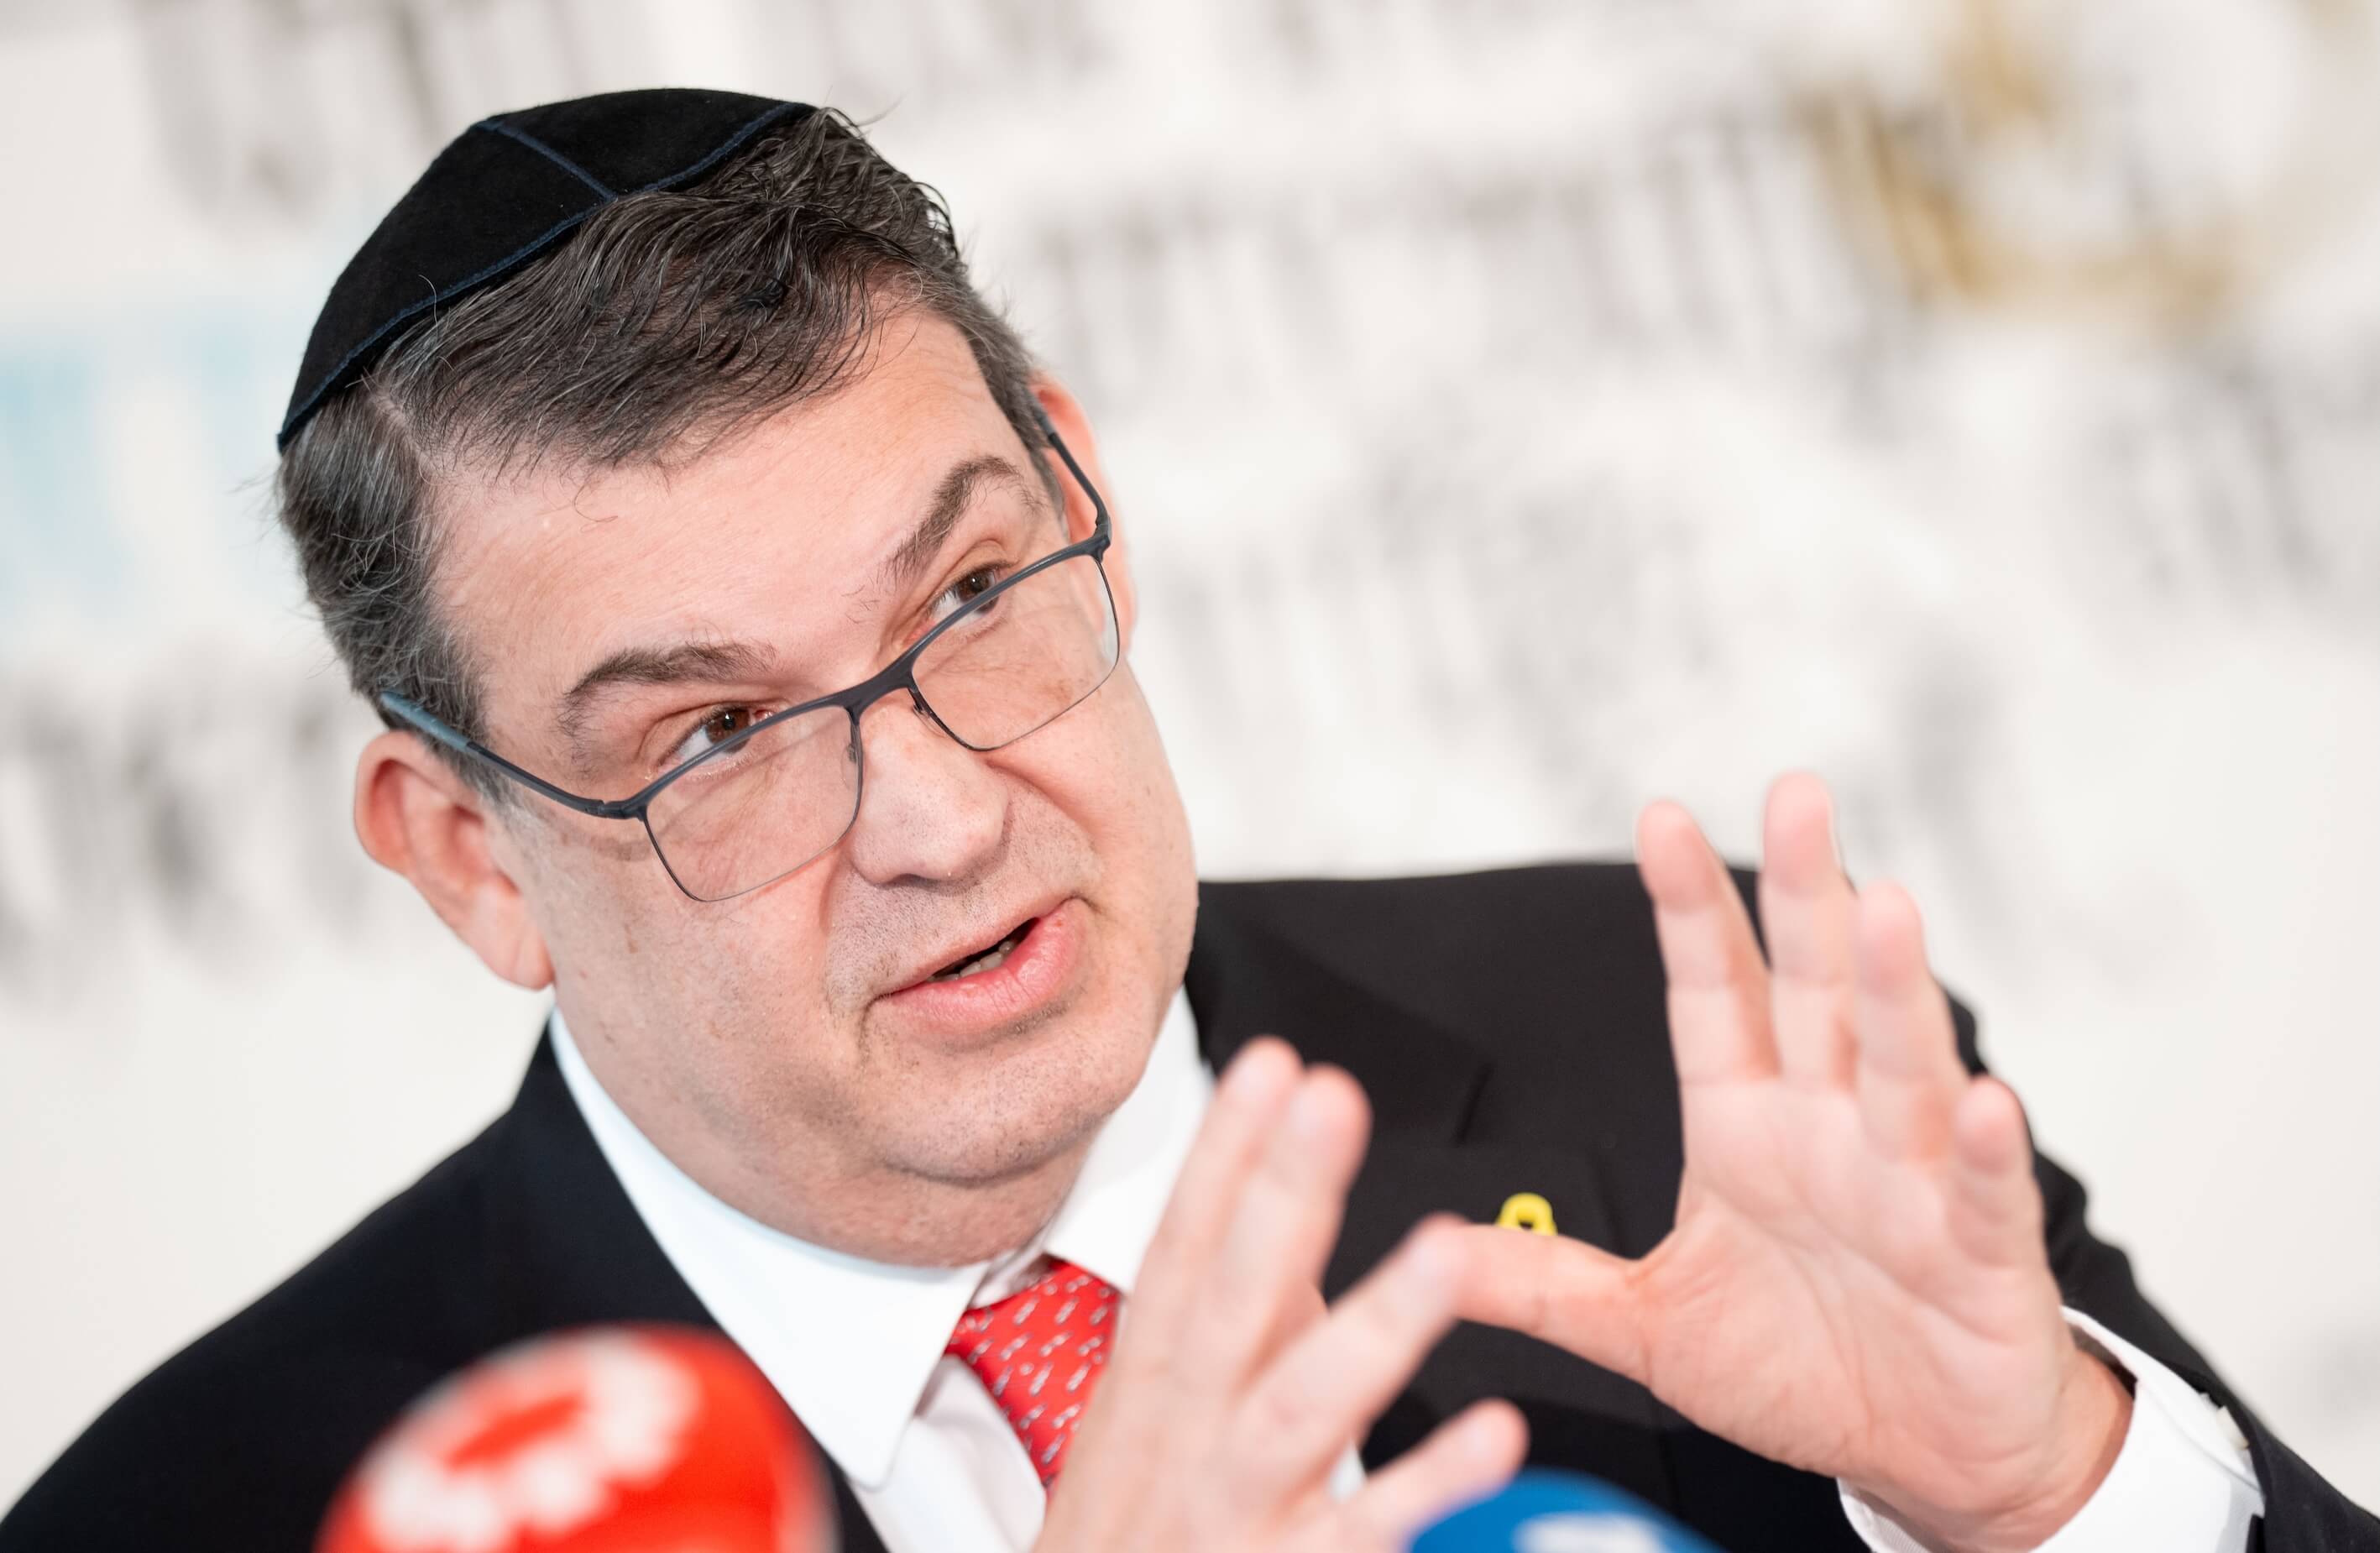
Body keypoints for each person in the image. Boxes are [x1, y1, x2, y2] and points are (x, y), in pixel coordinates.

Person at [1, 88, 2367, 1553]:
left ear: (1086, 500)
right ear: (466, 853)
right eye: (717, 734)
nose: (938, 816)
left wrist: (2052, 1497)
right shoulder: (216, 1516)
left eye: (970, 595)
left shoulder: (1678, 1047)